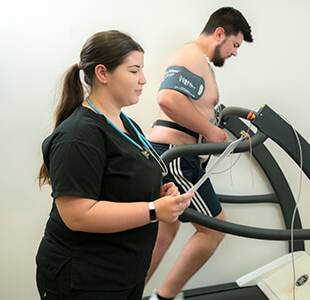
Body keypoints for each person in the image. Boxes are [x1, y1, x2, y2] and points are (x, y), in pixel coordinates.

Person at [35, 30, 193, 300]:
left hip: (125, 273)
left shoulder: (125, 123)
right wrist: (154, 209)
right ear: (102, 73)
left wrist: (159, 193)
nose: (143, 79)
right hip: (86, 279)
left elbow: (120, 184)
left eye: (142, 70)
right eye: (134, 71)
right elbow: (77, 215)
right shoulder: (78, 136)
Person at [145, 7, 253, 300]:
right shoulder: (191, 55)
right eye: (234, 45)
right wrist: (209, 129)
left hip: (175, 154)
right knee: (214, 231)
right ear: (219, 33)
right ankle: (163, 297)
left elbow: (185, 102)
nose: (234, 53)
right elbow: (167, 98)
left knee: (164, 233)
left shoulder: (196, 60)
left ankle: (129, 294)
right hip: (176, 155)